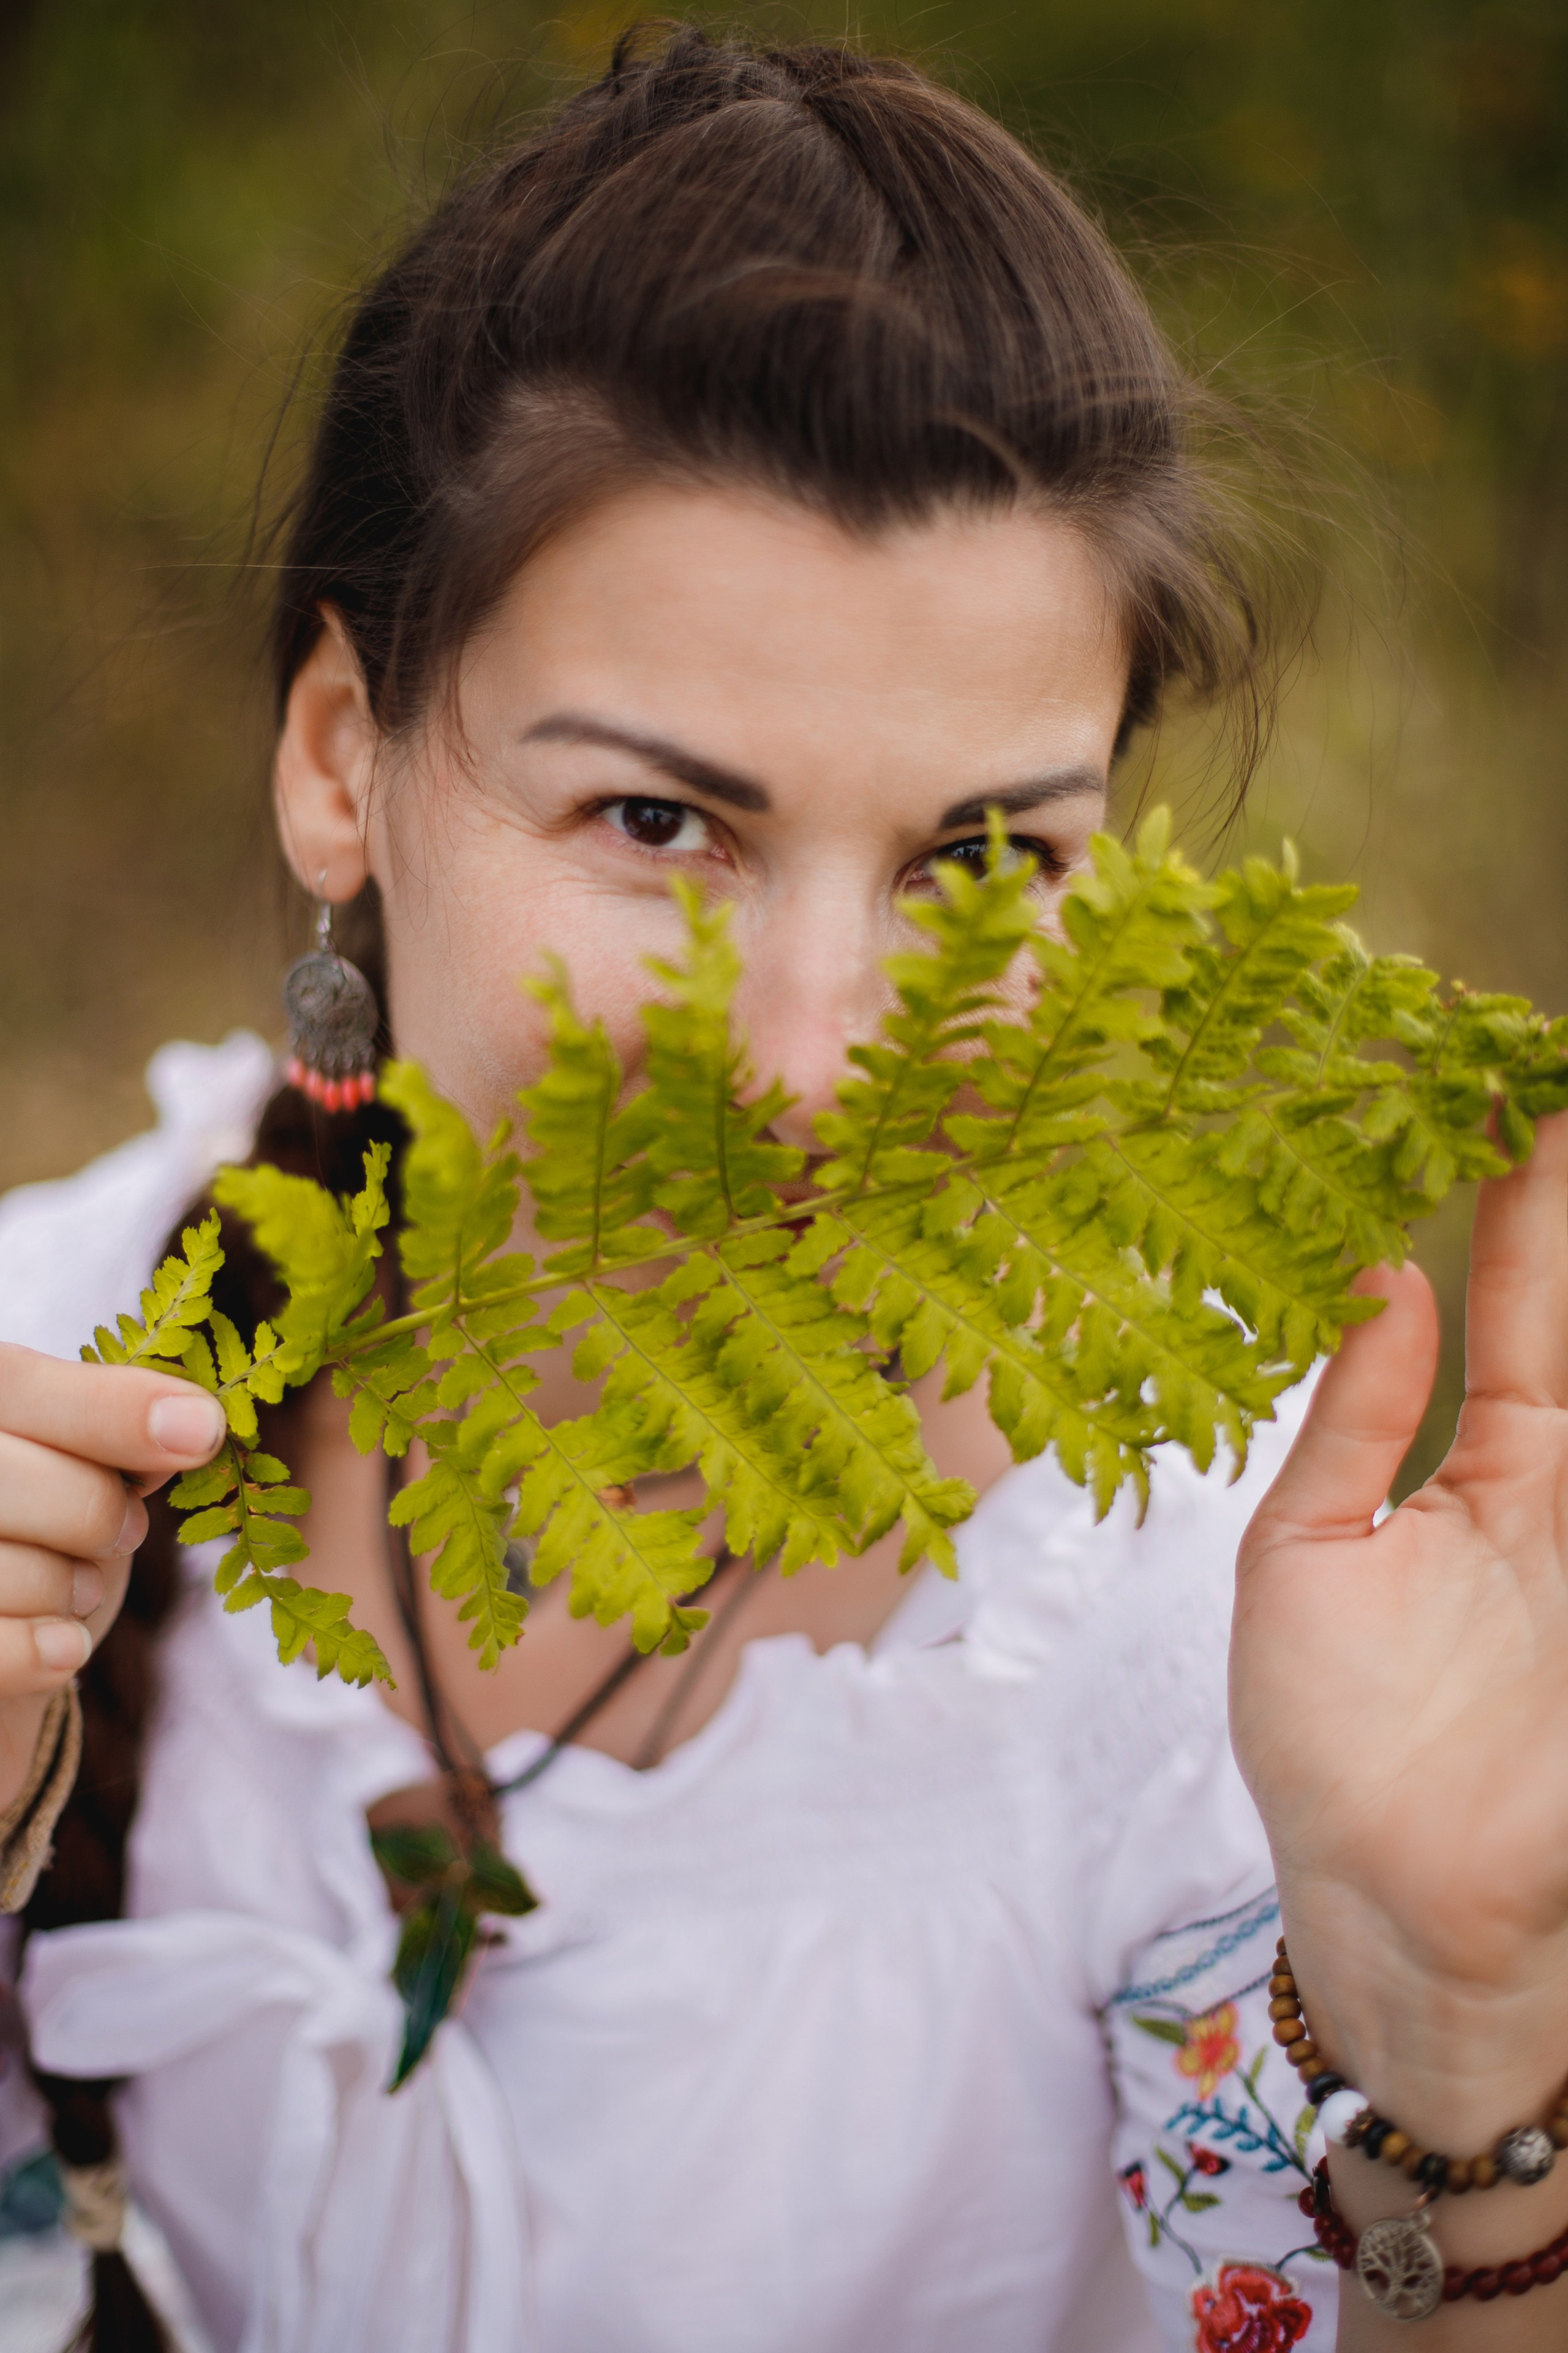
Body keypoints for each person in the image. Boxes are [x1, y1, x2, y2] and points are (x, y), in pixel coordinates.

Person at [0, 25, 1565, 2351]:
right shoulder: (48, 1349)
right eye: (660, 824)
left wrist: (1469, 2045)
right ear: (343, 761)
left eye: (980, 859)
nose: (819, 1054)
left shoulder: (1200, 1666)